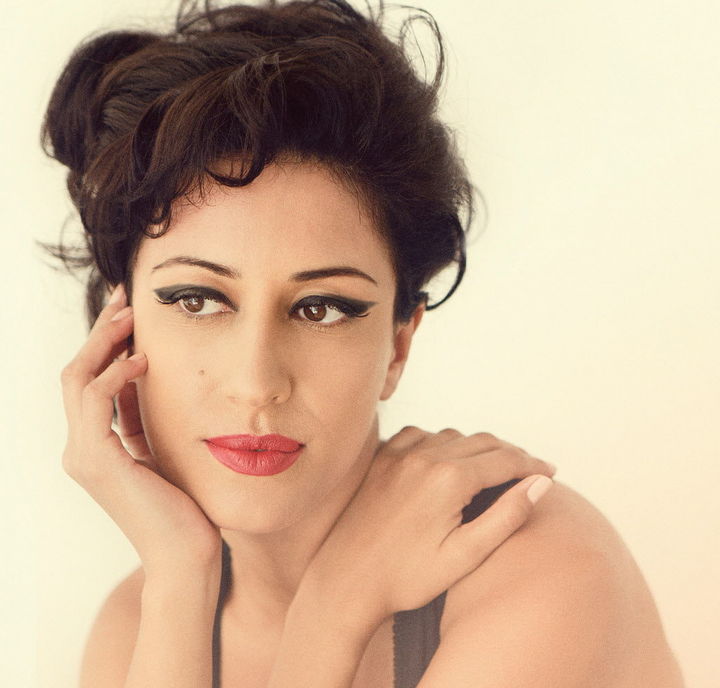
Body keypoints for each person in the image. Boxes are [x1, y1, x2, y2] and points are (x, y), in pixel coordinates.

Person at [42, 1, 684, 686]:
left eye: (321, 308)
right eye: (196, 300)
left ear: (398, 346)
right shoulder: (137, 626)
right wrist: (181, 576)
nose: (256, 384)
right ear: (121, 334)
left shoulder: (536, 566)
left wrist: (331, 610)